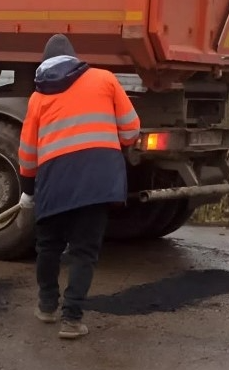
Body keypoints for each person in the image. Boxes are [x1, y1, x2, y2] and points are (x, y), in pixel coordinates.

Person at [18, 34, 141, 340]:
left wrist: (27, 190)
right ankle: (72, 320)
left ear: (44, 65)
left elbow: (28, 153)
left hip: (54, 180)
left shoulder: (37, 97)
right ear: (75, 59)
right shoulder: (105, 79)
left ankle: (46, 306)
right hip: (98, 181)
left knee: (48, 247)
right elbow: (131, 130)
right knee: (84, 252)